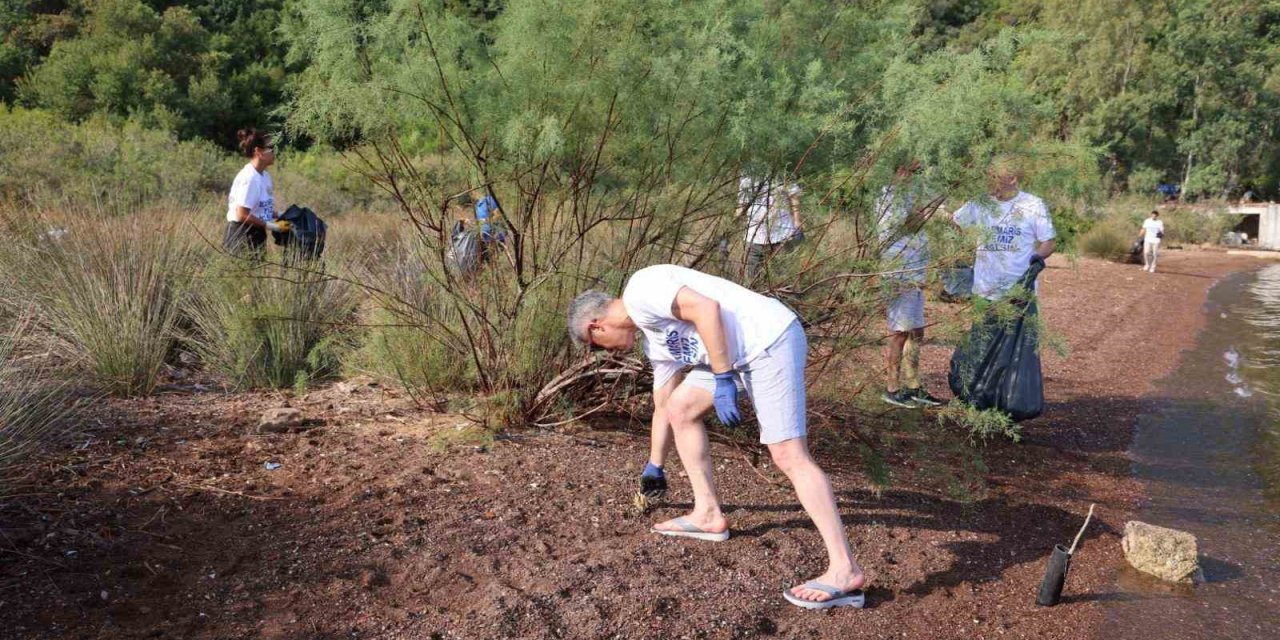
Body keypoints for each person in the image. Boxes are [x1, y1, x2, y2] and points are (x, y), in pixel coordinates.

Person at [567, 265, 867, 609]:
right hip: (736, 359)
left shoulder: (640, 290)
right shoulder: (654, 341)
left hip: (768, 342)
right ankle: (707, 514)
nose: (605, 353)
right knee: (682, 408)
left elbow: (705, 308)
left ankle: (845, 570)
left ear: (597, 326)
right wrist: (655, 464)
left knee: (788, 454)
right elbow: (663, 404)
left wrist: (723, 378)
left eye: (596, 347)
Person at [876, 161, 941, 408]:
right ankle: (892, 388)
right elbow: (913, 223)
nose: (914, 177)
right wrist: (924, 207)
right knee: (900, 332)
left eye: (917, 172)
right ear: (898, 170)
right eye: (910, 171)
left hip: (915, 271)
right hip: (898, 272)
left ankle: (914, 386)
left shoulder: (913, 194)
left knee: (916, 331)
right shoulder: (888, 197)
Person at [952, 157, 1057, 301]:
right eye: (988, 176)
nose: (989, 181)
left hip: (1020, 292)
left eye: (995, 176)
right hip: (984, 292)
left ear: (1012, 179)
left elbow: (1049, 243)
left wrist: (1035, 263)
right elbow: (956, 221)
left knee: (1023, 324)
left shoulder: (1033, 204)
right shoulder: (980, 203)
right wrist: (964, 247)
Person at [225, 128, 290, 254]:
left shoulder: (264, 176)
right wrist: (272, 226)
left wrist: (281, 214)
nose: (275, 153)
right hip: (241, 236)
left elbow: (258, 210)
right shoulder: (249, 178)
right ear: (259, 152)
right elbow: (242, 214)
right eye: (271, 149)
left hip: (257, 234)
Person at [739, 175, 804, 282]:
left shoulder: (782, 172)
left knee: (783, 276)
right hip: (754, 237)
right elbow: (741, 205)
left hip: (782, 234)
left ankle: (783, 297)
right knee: (752, 279)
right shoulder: (748, 174)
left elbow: (794, 196)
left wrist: (797, 223)